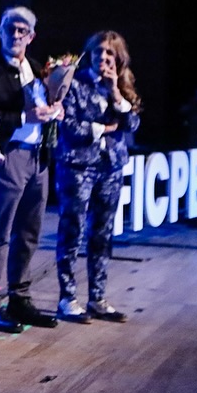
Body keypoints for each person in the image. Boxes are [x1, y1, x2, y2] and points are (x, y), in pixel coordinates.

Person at [0, 7, 61, 332]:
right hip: (9, 155)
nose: (15, 35)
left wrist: (56, 110)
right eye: (10, 29)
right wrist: (24, 118)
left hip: (38, 156)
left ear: (32, 36)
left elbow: (46, 106)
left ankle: (20, 298)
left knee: (29, 231)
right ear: (0, 32)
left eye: (22, 30)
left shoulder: (40, 68)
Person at [54, 31, 141, 324]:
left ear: (118, 59)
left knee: (102, 234)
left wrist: (115, 93)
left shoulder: (122, 86)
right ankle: (67, 299)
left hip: (110, 168)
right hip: (78, 166)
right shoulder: (75, 84)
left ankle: (98, 298)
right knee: (72, 232)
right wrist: (101, 129)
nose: (103, 58)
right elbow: (69, 127)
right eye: (98, 52)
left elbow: (132, 124)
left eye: (109, 53)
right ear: (89, 54)